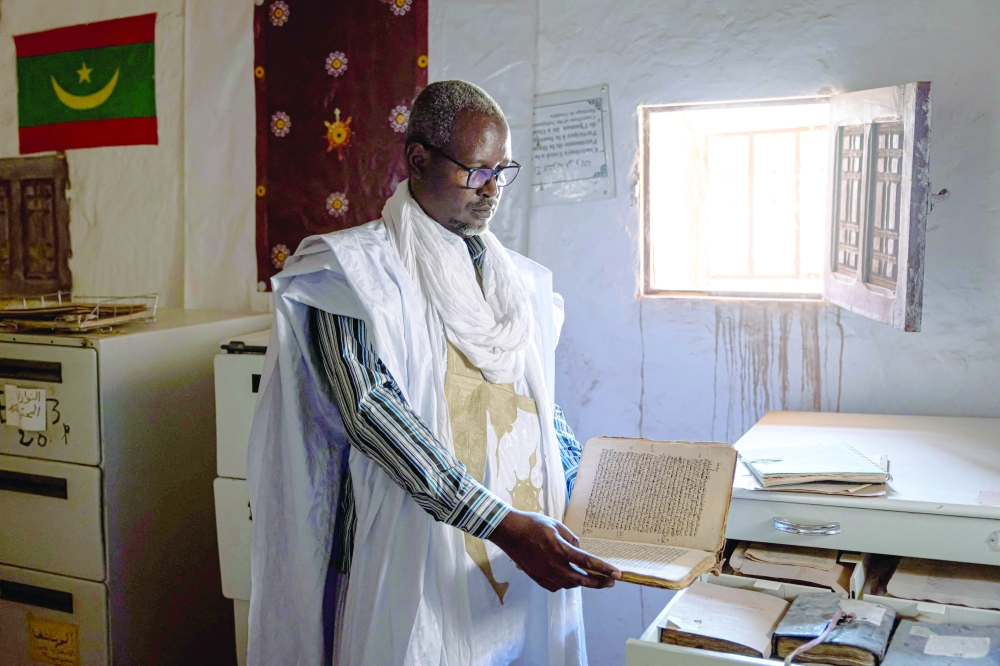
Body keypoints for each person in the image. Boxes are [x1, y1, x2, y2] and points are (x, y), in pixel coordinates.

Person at [247, 80, 620, 666]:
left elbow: (534, 406)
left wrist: (593, 497)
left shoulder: (519, 284)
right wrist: (500, 523)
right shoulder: (351, 274)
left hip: (516, 551)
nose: (492, 189)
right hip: (413, 556)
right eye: (477, 171)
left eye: (503, 171)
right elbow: (372, 414)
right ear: (418, 159)